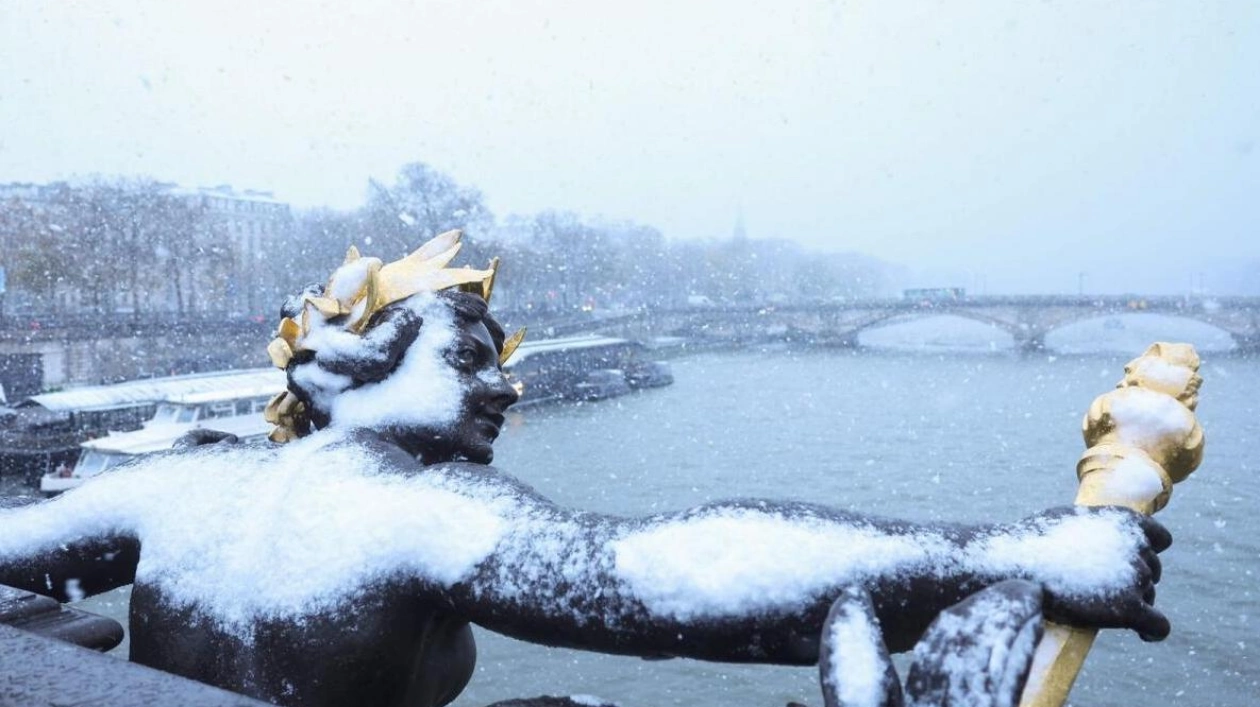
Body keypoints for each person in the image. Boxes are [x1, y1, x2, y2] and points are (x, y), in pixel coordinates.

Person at [0, 232, 1169, 707]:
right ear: (346, 371)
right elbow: (659, 577)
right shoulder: (414, 508)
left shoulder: (175, 483)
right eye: (468, 357)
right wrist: (1001, 552)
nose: (506, 384)